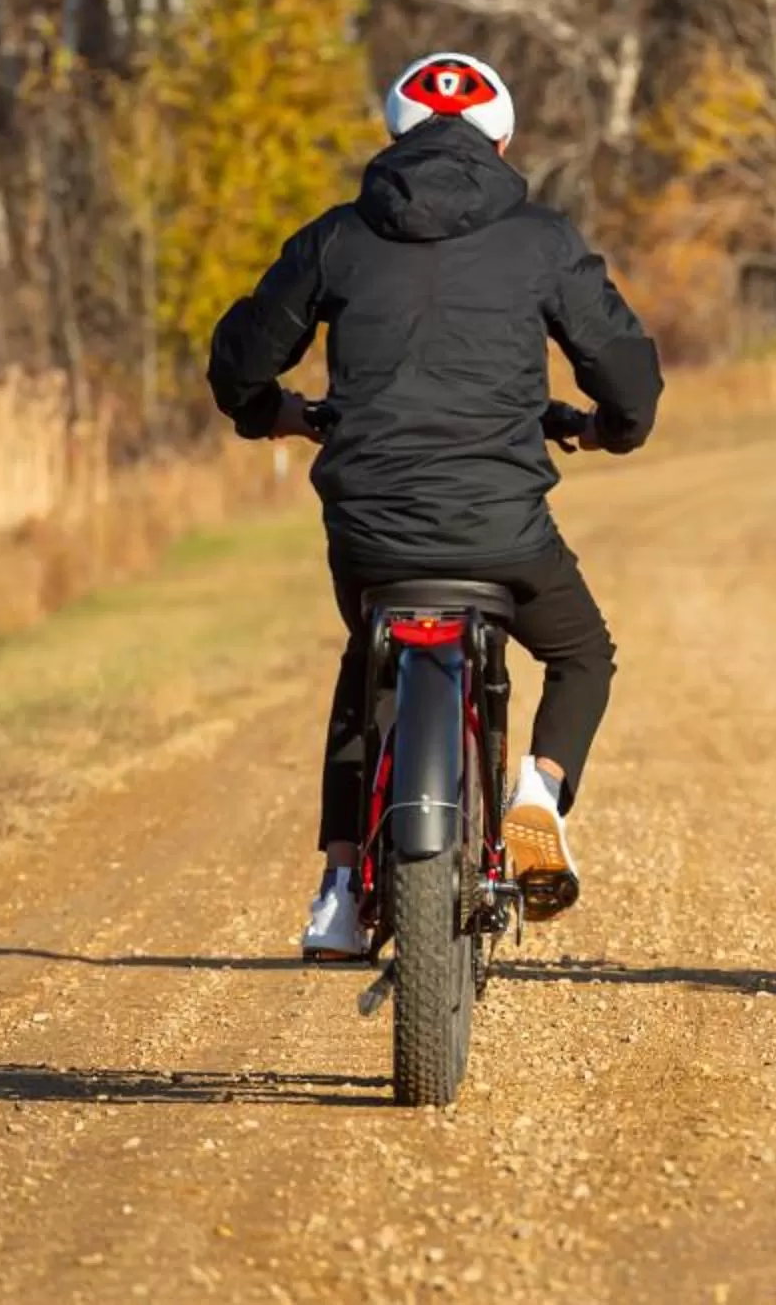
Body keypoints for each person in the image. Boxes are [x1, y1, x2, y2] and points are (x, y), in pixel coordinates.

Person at [205, 51, 662, 958]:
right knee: (583, 654)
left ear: (394, 139)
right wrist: (611, 427)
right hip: (503, 530)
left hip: (372, 531)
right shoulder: (540, 240)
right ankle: (537, 797)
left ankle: (339, 888)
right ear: (502, 140)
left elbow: (241, 365)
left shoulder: (338, 237)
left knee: (364, 666)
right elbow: (626, 370)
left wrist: (276, 415)